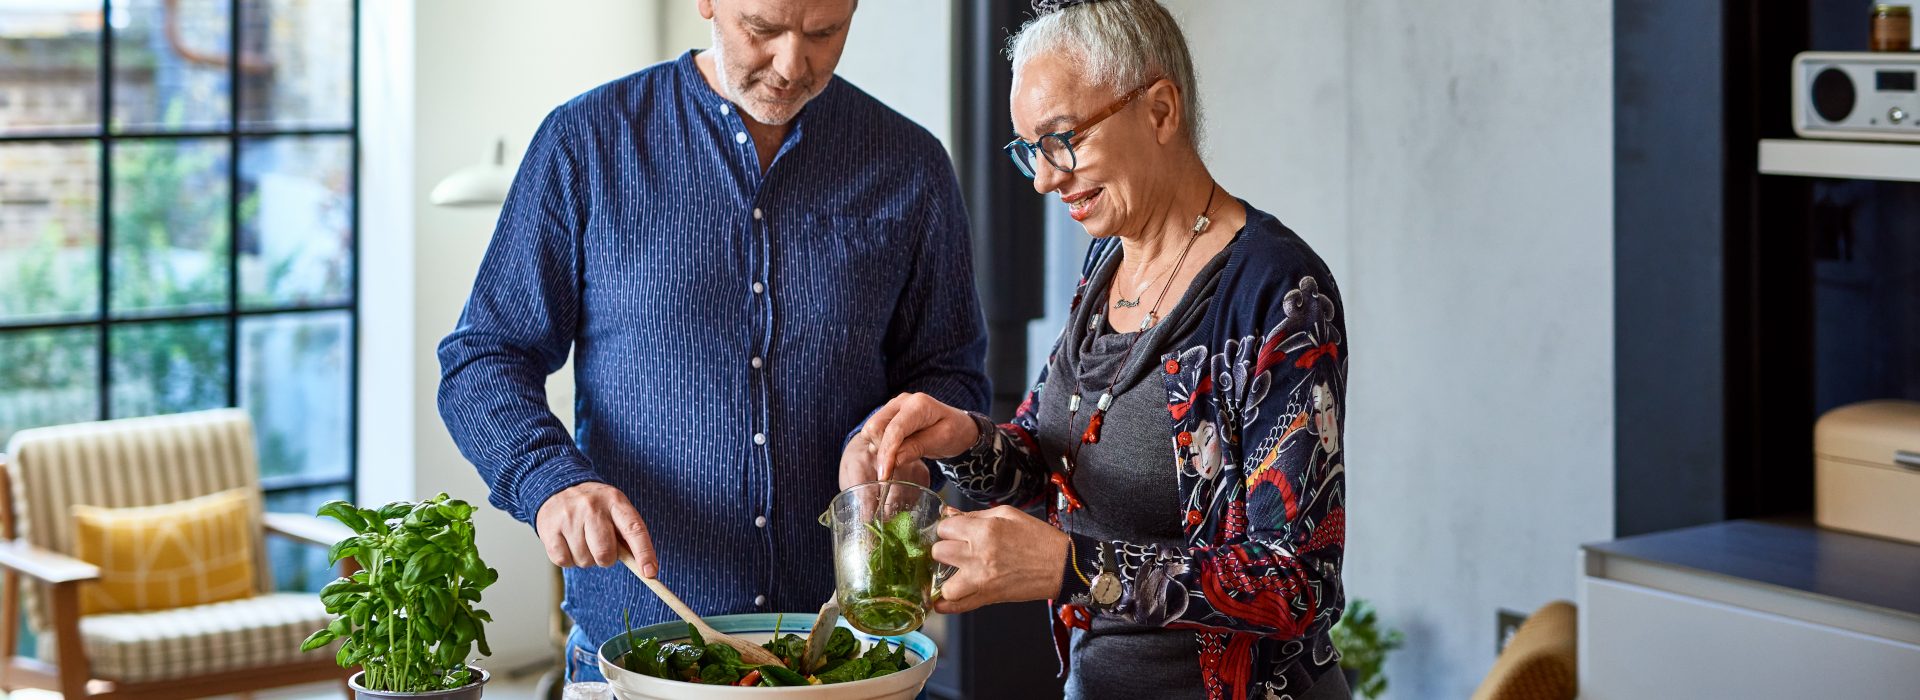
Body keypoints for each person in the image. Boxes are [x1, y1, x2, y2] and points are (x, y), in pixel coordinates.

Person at [438, 0, 988, 683]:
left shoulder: (910, 164)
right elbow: (483, 357)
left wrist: (909, 443)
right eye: (763, 30)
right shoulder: (586, 142)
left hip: (844, 659)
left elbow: (950, 375)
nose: (793, 65)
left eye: (825, 34)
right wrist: (549, 481)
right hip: (639, 655)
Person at [848, 0, 1349, 697]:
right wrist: (960, 438)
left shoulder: (1276, 292)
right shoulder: (1106, 265)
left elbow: (1299, 585)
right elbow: (1053, 457)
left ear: (1161, 110)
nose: (1045, 178)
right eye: (1029, 150)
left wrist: (1069, 567)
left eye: (1061, 139)